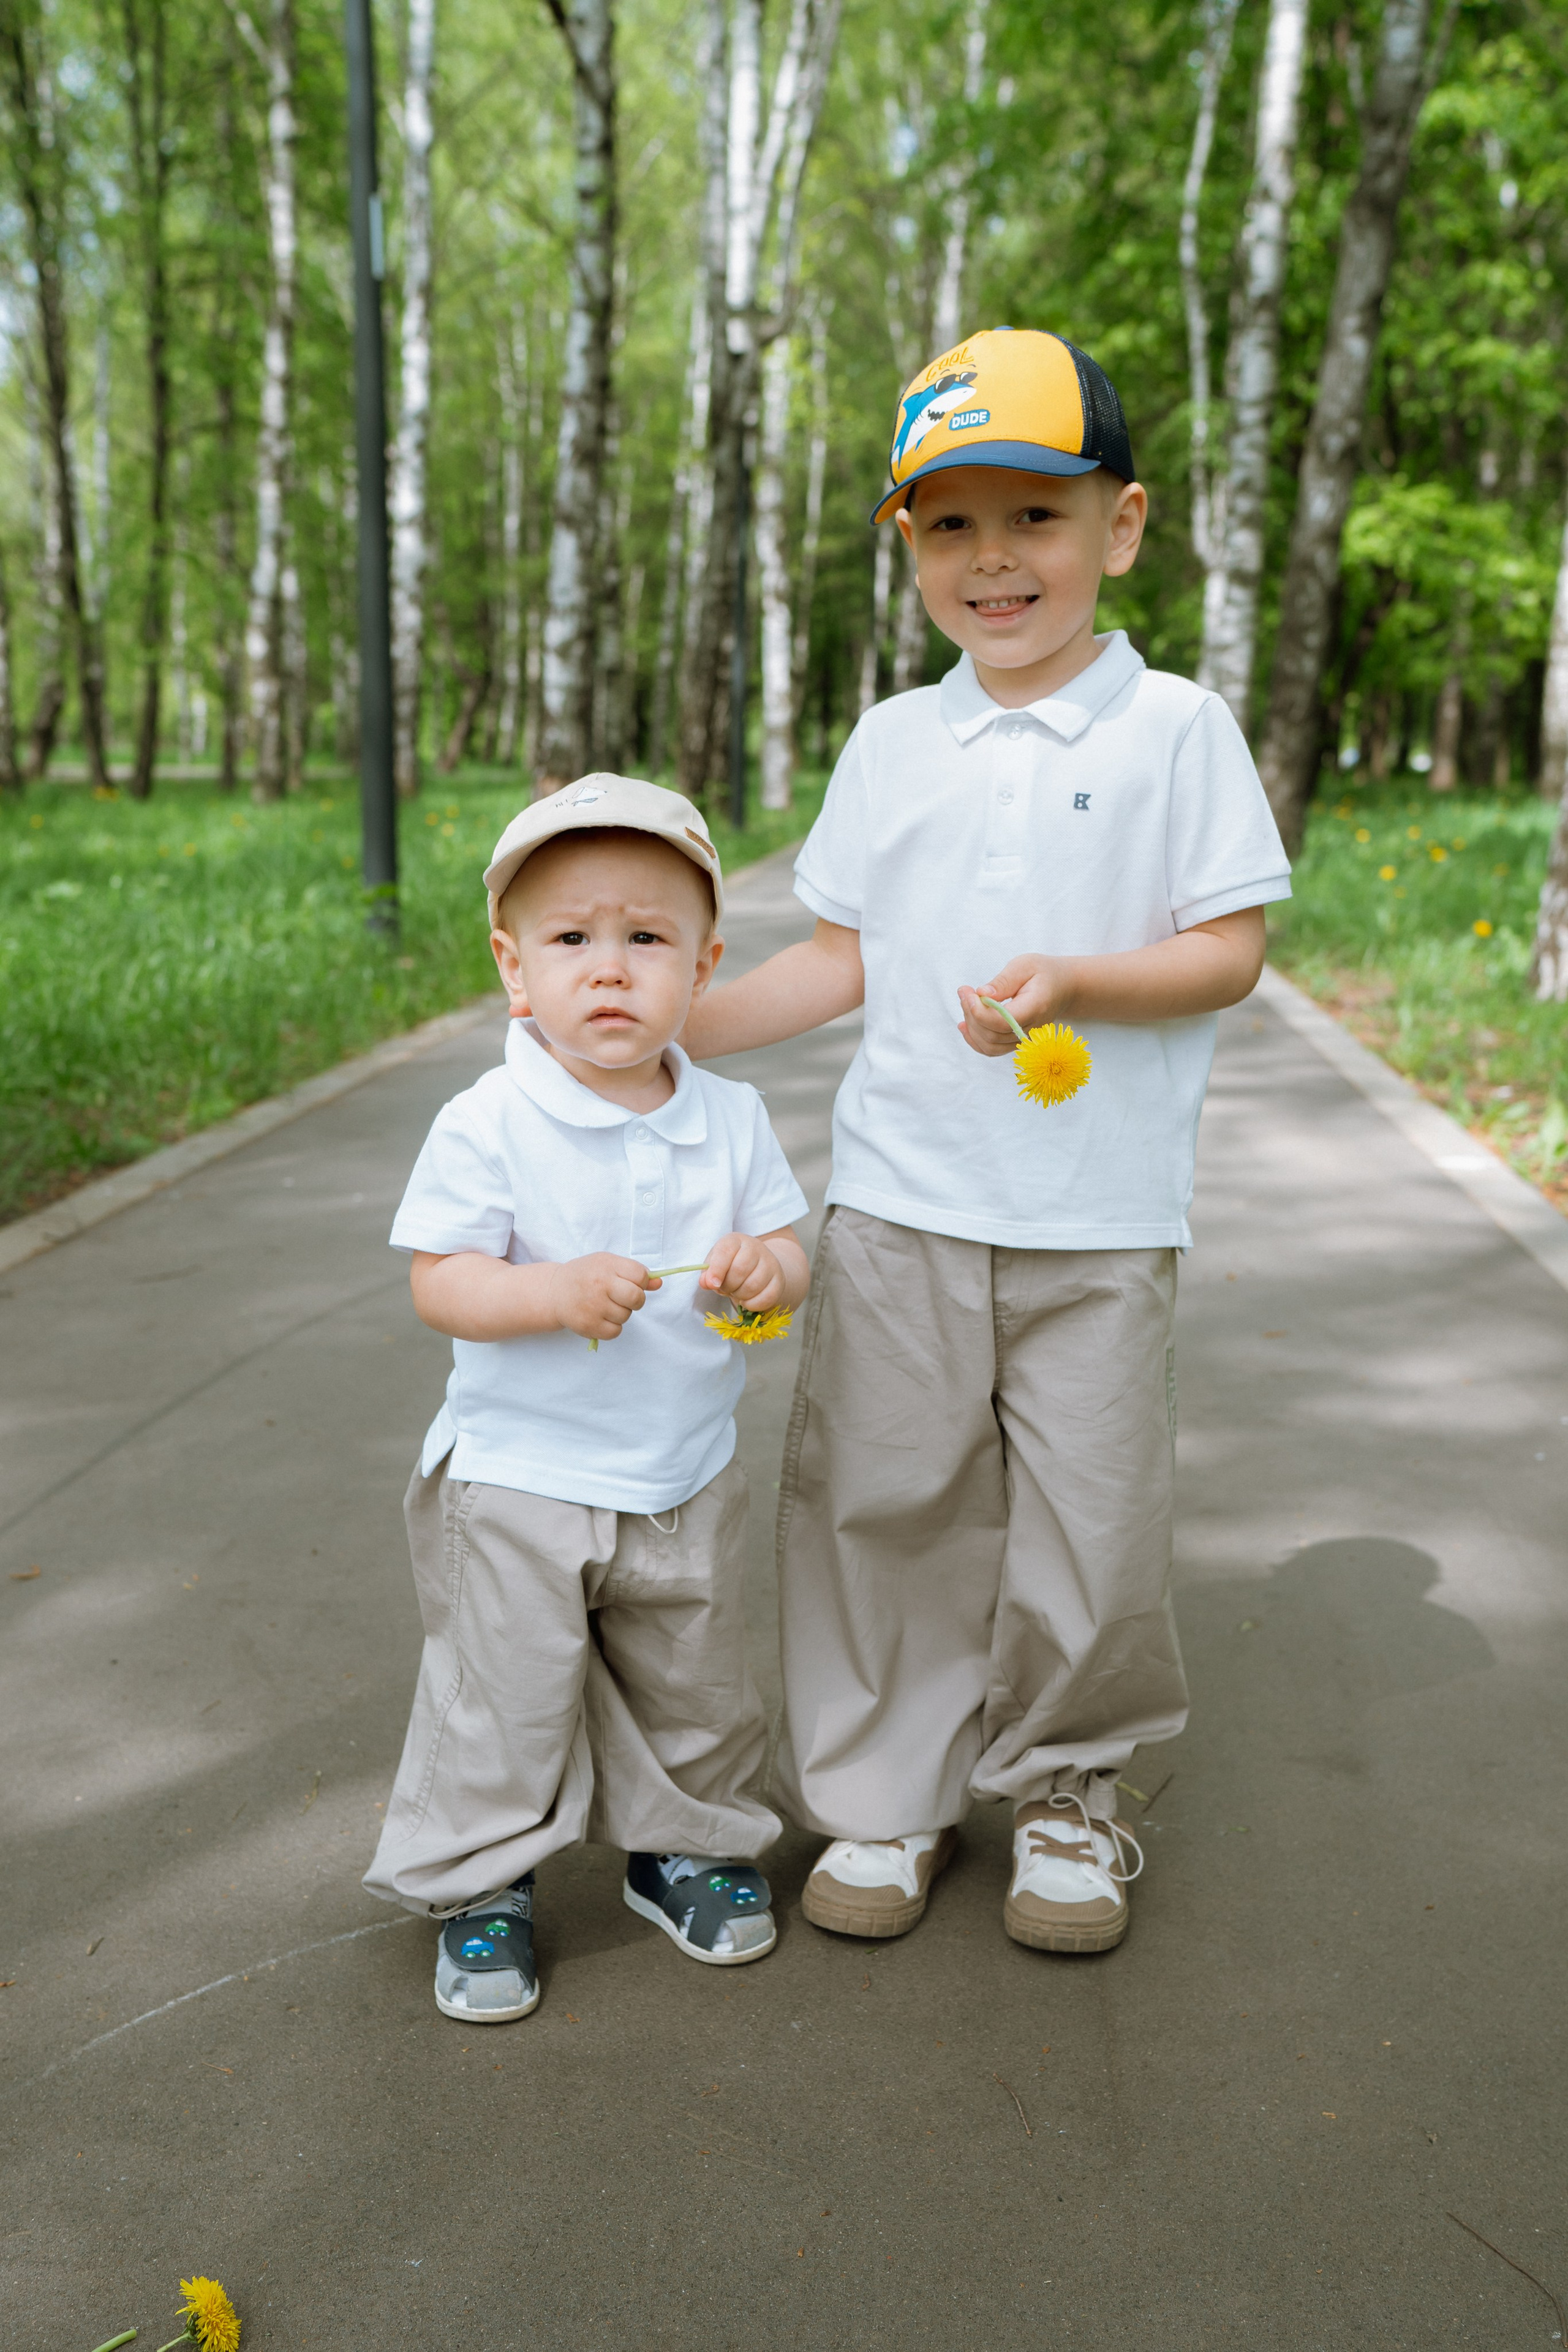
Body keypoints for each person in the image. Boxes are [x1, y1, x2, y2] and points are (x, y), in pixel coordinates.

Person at [681, 326, 1291, 1954]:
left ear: (1125, 525)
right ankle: (886, 1796)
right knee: (886, 1501)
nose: (995, 560)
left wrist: (1085, 974)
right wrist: (685, 1019)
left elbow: (1230, 952)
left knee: (1093, 1516)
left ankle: (1074, 1793)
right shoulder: (895, 742)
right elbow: (839, 957)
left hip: (1101, 1220)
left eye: (1036, 515)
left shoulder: (1178, 730)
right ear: (909, 548)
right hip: (901, 1211)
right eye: (952, 525)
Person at [364, 776, 810, 2022]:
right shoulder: (491, 1120)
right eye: (571, 940)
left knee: (696, 1683)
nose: (607, 971)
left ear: (703, 968)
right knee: (501, 1696)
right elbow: (441, 1281)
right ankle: (481, 1883)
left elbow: (781, 1267)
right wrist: (548, 1292)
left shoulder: (731, 1117)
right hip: (520, 1476)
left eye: (645, 939)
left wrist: (755, 1279)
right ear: (514, 969)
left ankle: (684, 1849)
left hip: (680, 1468)